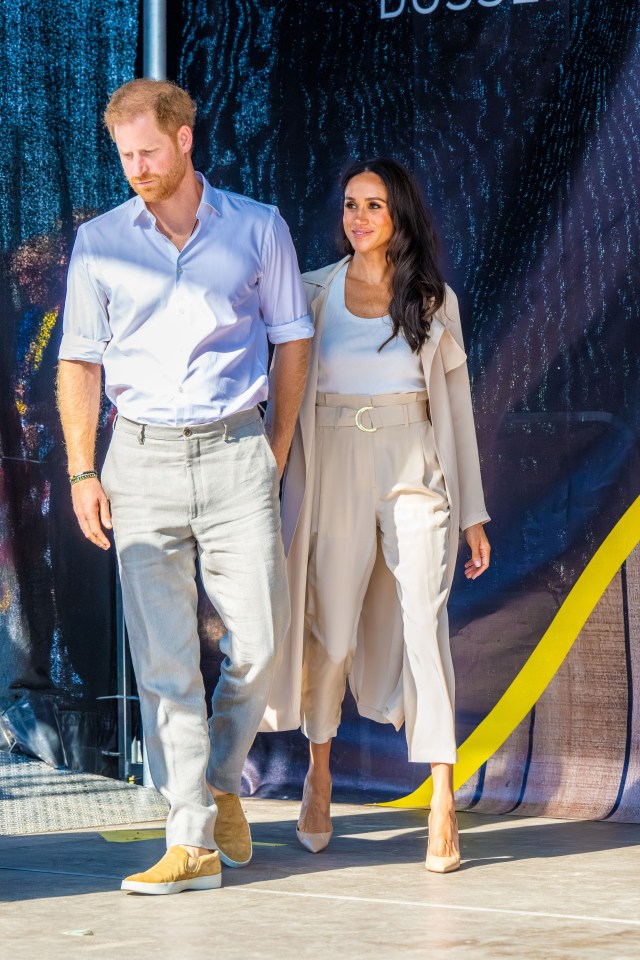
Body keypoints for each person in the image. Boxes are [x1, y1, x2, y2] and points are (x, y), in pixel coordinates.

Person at [56, 78, 313, 894]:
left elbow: (293, 340)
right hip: (139, 459)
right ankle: (191, 837)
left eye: (148, 152)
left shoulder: (258, 227)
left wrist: (272, 447)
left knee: (262, 641)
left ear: (185, 140)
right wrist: (82, 471)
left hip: (237, 451)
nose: (136, 167)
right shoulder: (99, 240)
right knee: (164, 663)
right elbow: (79, 362)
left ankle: (218, 779)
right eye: (125, 155)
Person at [263, 158, 490, 873]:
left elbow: (454, 412)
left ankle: (443, 800)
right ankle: (319, 771)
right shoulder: (311, 294)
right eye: (351, 204)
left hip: (413, 470)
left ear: (400, 218)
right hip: (332, 466)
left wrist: (472, 514)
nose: (357, 218)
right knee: (329, 632)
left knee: (426, 626)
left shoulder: (432, 300)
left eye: (374, 206)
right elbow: (281, 392)